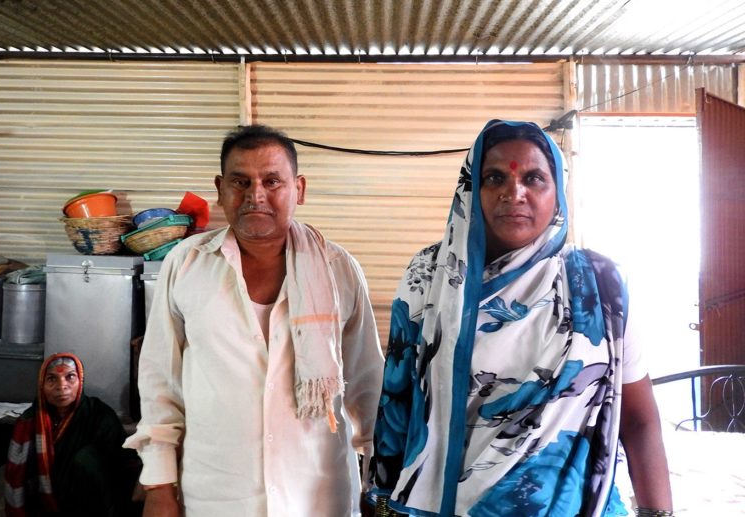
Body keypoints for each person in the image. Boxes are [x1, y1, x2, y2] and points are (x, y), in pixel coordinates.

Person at [369, 119, 673, 516]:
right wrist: (379, 498)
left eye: (534, 178)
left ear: (558, 191)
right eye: (494, 178)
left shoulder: (599, 285)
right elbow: (398, 401)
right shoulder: (430, 275)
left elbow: (639, 419)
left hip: (572, 507)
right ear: (471, 190)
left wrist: (659, 513)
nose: (514, 193)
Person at [124, 124, 384, 517]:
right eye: (240, 182)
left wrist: (378, 479)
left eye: (272, 181)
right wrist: (159, 484)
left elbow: (367, 382)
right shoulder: (187, 263)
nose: (255, 196)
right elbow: (161, 379)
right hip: (218, 491)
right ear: (220, 188)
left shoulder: (338, 270)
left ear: (299, 189)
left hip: (318, 491)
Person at [4, 352, 140, 517]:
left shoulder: (100, 416)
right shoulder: (28, 422)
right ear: (42, 385)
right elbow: (17, 474)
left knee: (86, 458)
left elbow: (120, 469)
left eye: (70, 377)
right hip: (43, 506)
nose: (62, 386)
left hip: (95, 507)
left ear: (80, 381)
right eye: (52, 379)